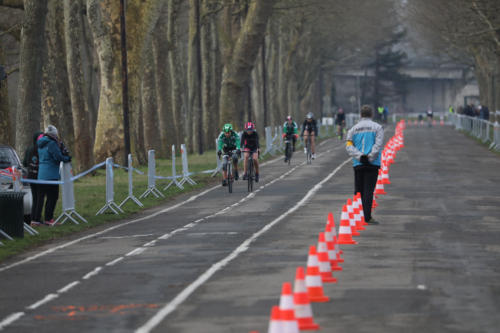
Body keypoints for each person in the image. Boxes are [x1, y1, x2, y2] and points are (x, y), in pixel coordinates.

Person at [345, 105, 384, 225]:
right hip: (372, 164)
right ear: (371, 114)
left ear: (360, 115)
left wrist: (360, 157)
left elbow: (348, 146)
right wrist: (369, 157)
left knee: (358, 190)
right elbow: (378, 145)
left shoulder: (353, 129)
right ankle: (367, 217)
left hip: (358, 163)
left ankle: (357, 215)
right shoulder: (378, 127)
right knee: (368, 191)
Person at [34, 125, 71, 226]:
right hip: (51, 175)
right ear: (54, 134)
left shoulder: (40, 143)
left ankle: (36, 220)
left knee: (40, 197)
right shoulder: (52, 143)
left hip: (41, 174)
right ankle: (48, 219)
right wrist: (67, 158)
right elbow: (57, 157)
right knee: (53, 197)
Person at [22, 131, 43, 226]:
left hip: (30, 176)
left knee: (35, 197)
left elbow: (24, 163)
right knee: (40, 198)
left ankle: (33, 218)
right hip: (39, 176)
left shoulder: (28, 149)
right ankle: (37, 219)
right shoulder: (40, 149)